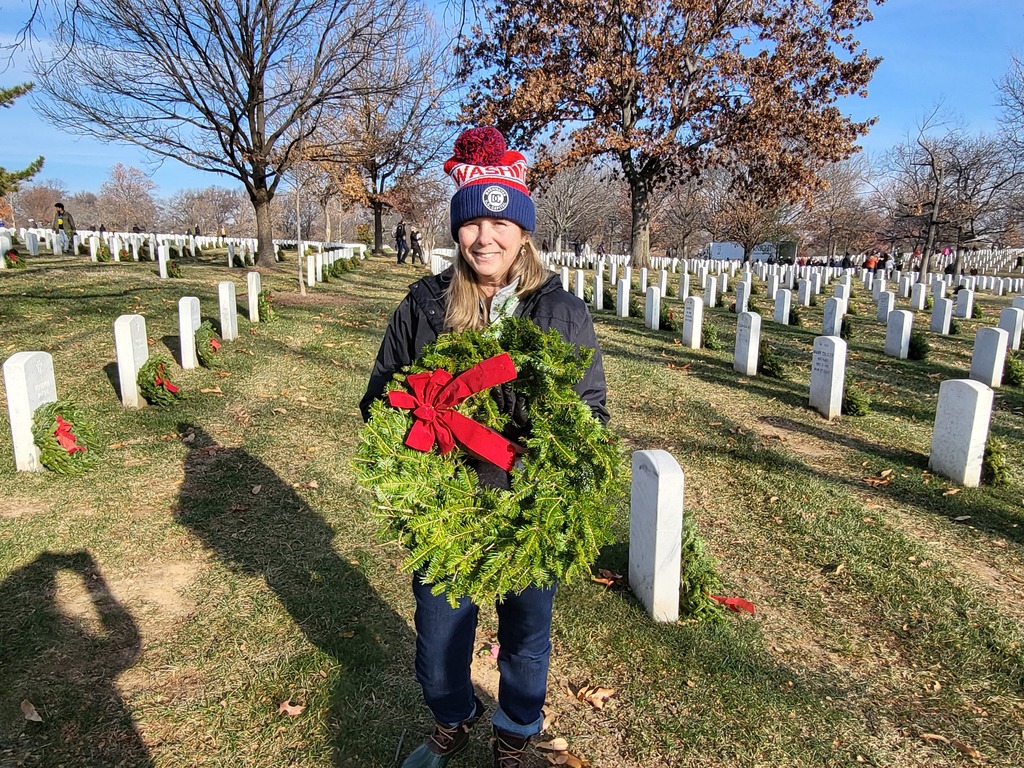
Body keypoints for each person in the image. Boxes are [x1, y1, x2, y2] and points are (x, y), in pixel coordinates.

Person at [360, 126, 608, 768]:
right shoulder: (425, 305)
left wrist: (560, 450)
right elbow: (379, 396)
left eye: (501, 223)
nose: (485, 238)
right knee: (438, 642)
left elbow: (590, 409)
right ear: (456, 229)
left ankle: (516, 730)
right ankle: (452, 715)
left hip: (528, 500)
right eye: (472, 222)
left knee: (527, 636)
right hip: (447, 505)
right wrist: (415, 407)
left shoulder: (559, 311)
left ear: (524, 231)